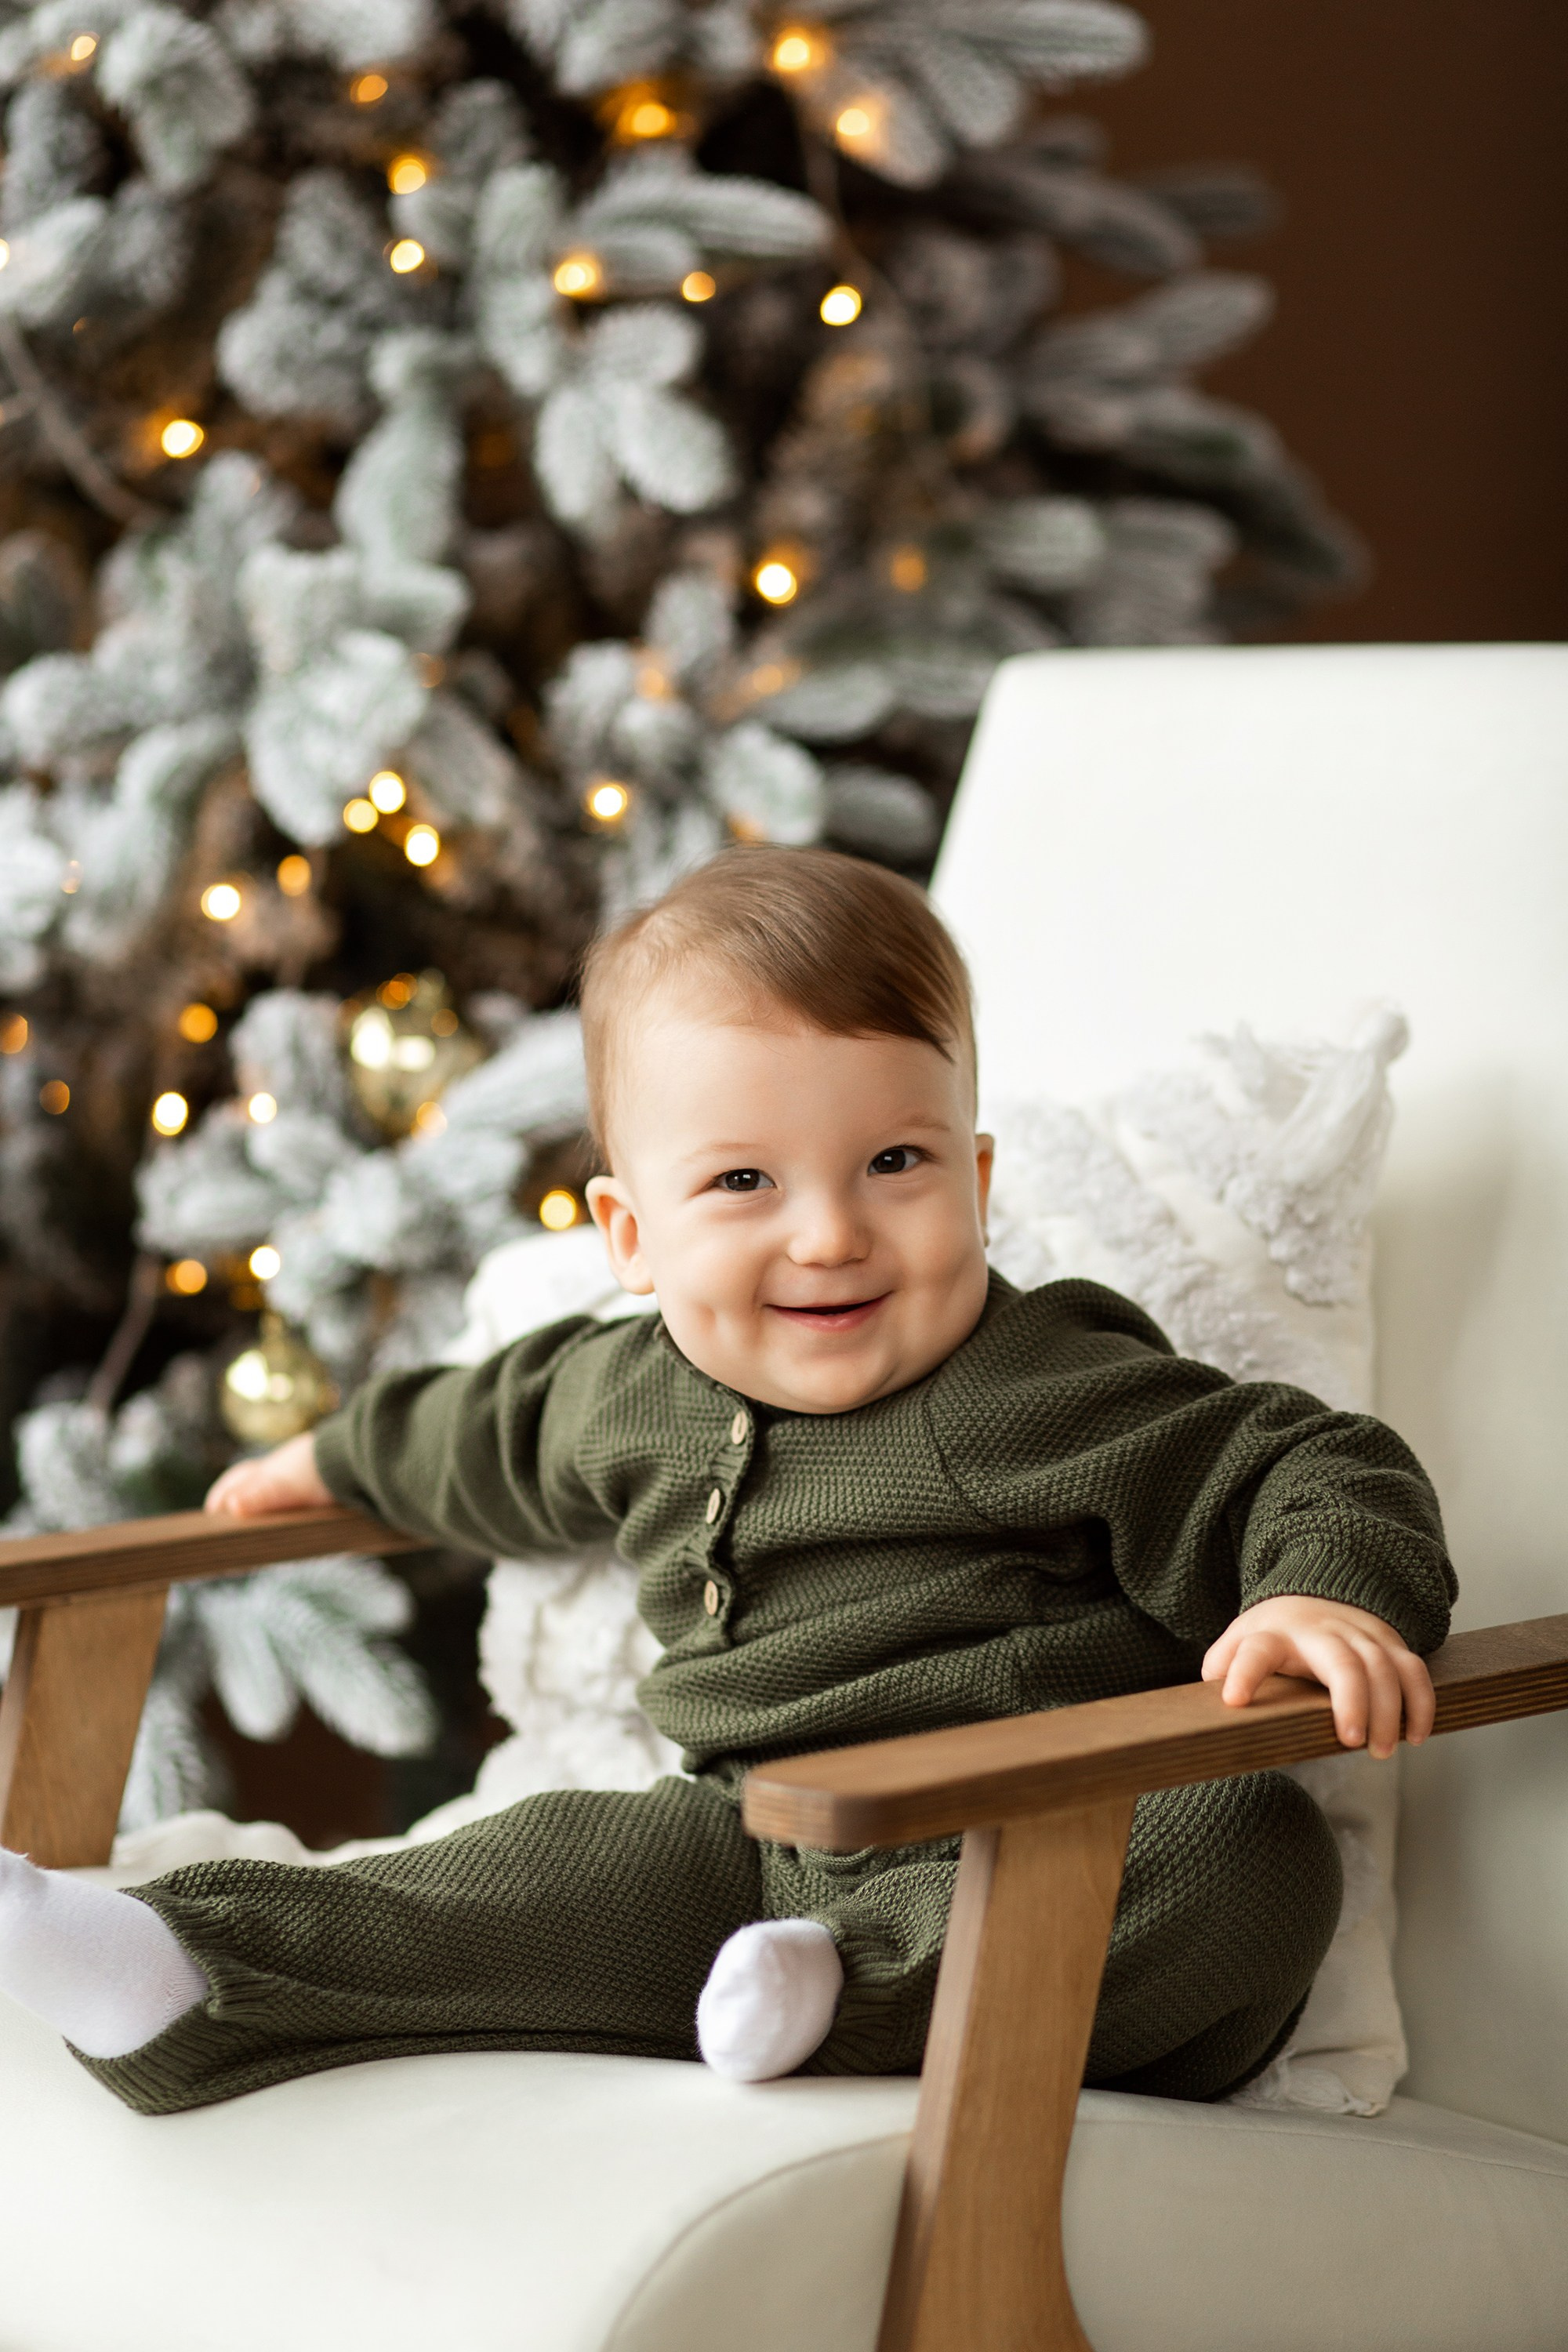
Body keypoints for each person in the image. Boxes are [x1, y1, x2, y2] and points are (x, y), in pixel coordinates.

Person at [0, 846, 1454, 2114]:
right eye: (745, 1182)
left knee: (1254, 1852)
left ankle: (841, 1997)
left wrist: (1325, 1593)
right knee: (537, 1864)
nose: (829, 1235)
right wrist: (324, 1455)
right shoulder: (621, 1389)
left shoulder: (1036, 1380)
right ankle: (182, 1965)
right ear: (632, 1236)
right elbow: (476, 1431)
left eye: (895, 1161)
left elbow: (1303, 1461)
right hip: (743, 1848)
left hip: (1045, 1850)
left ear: (977, 1180)